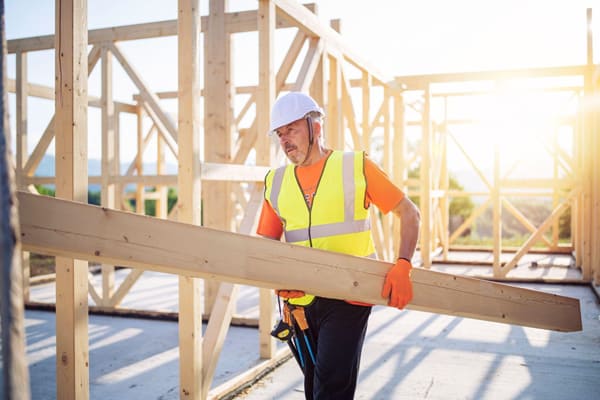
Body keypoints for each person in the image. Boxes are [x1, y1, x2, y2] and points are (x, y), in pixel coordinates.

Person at [256, 91, 421, 400]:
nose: (284, 140)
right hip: (300, 303)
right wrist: (276, 280)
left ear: (315, 127)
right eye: (280, 134)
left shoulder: (355, 166)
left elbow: (409, 213)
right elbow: (266, 243)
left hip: (349, 298)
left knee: (331, 388)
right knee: (314, 386)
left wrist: (403, 264)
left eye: (291, 129)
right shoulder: (275, 182)